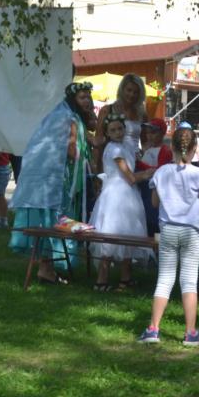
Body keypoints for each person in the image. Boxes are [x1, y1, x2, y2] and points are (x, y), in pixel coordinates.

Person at [8, 81, 97, 285]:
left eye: (88, 97)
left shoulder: (63, 116)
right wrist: (84, 157)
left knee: (51, 220)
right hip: (60, 181)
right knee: (56, 220)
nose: (86, 101)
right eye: (82, 97)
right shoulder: (70, 118)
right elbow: (72, 150)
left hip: (54, 179)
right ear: (73, 99)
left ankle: (46, 268)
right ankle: (46, 268)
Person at [139, 126, 199, 345]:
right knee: (189, 281)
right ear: (194, 148)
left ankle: (153, 329)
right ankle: (190, 332)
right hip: (192, 231)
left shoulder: (162, 172)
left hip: (168, 230)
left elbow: (155, 203)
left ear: (171, 147)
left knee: (164, 279)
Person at [88, 114, 153, 291]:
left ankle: (126, 277)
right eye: (113, 130)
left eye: (120, 128)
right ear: (107, 133)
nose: (118, 132)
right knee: (111, 234)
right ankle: (102, 280)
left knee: (128, 233)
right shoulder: (115, 150)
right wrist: (147, 174)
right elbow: (130, 177)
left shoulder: (124, 146)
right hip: (117, 195)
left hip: (127, 194)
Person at [94, 74, 148, 172]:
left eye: (136, 92)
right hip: (113, 162)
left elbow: (145, 142)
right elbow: (98, 143)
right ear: (122, 89)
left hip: (136, 163)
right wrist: (97, 169)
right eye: (129, 90)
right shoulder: (107, 110)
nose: (132, 94)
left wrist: (145, 157)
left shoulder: (142, 114)